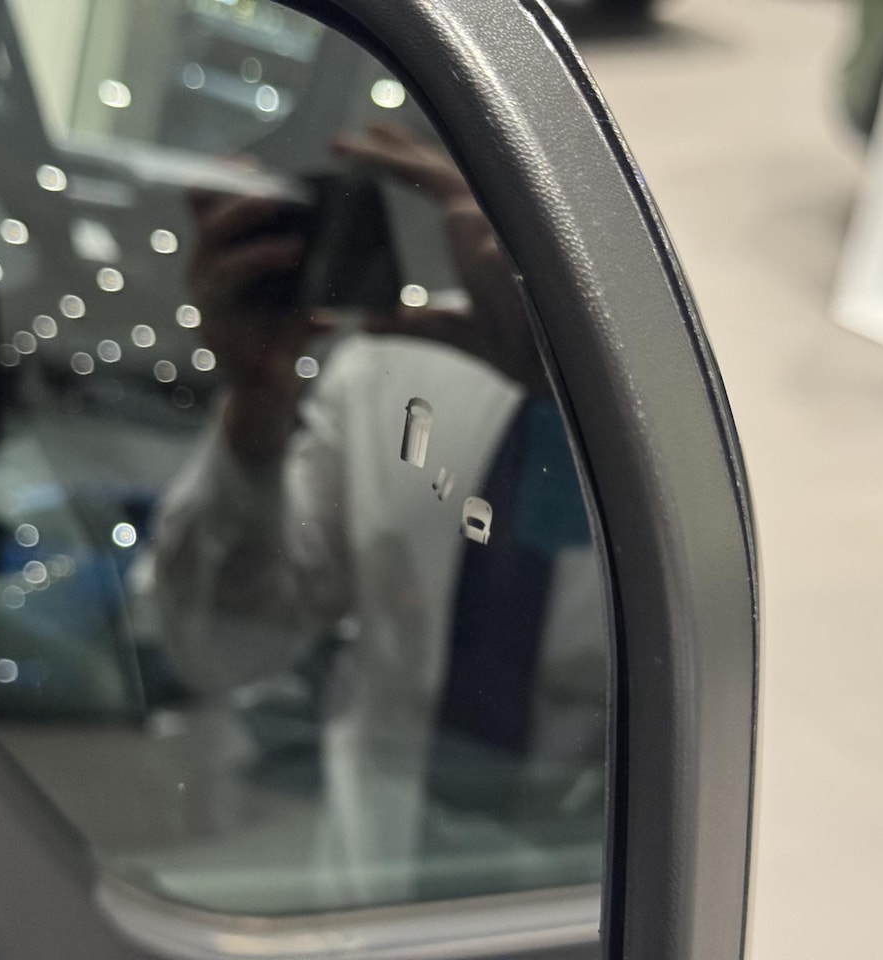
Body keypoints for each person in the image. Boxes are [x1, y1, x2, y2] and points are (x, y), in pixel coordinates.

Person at [148, 124, 609, 906]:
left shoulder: (703, 437)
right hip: (369, 902)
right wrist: (257, 402)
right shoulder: (387, 372)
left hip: (593, 908)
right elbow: (217, 650)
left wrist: (580, 389)